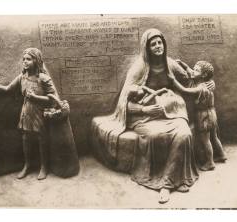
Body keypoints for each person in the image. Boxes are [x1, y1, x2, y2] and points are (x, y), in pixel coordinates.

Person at [92, 28, 215, 204]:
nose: (158, 46)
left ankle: (167, 183)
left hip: (172, 111)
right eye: (153, 44)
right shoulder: (139, 68)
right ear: (147, 48)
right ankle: (173, 180)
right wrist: (145, 110)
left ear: (164, 44)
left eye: (160, 43)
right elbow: (124, 102)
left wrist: (209, 83)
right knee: (156, 136)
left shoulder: (170, 64)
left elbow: (190, 80)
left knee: (185, 134)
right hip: (145, 114)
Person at [0, 48, 61, 180]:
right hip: (26, 111)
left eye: (29, 59)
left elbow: (55, 99)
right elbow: (7, 90)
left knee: (42, 138)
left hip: (40, 112)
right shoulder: (22, 77)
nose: (25, 62)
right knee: (26, 139)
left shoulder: (43, 78)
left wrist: (36, 98)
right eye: (24, 59)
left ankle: (44, 166)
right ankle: (27, 165)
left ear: (36, 60)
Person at [169, 60, 227, 170]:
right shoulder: (206, 83)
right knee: (214, 137)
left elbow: (185, 90)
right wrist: (182, 63)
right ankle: (221, 155)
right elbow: (190, 71)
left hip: (203, 115)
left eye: (196, 70)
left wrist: (174, 81)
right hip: (212, 113)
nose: (193, 71)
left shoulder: (201, 87)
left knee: (206, 140)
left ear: (203, 75)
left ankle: (210, 163)